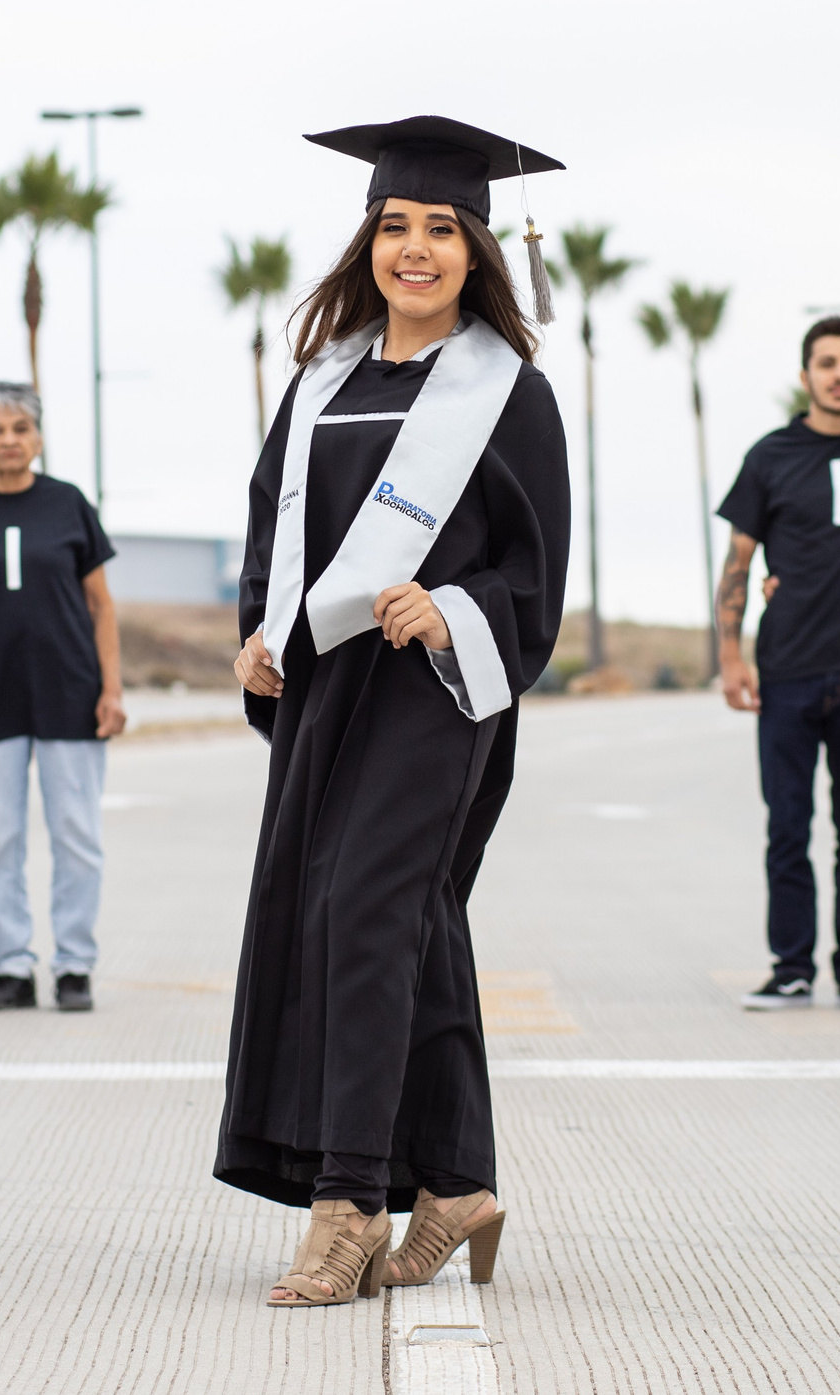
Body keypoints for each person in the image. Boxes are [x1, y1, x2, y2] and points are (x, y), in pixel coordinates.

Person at [220, 116, 570, 1309]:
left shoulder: (503, 393)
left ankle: (351, 1201)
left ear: (475, 248)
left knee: (363, 913)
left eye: (437, 229)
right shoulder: (324, 381)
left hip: (431, 690)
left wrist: (456, 606)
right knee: (400, 920)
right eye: (392, 227)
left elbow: (536, 570)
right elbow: (278, 522)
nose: (413, 249)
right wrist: (259, 633)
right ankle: (457, 1182)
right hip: (329, 683)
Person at [716, 317, 840, 1013]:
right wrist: (730, 656)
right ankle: (791, 967)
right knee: (789, 828)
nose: (839, 374)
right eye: (826, 363)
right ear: (806, 376)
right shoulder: (771, 455)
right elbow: (738, 563)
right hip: (788, 671)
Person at [0, 382, 125, 1015]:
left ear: (39, 437)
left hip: (70, 694)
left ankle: (74, 965)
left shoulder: (68, 504)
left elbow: (100, 605)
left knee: (76, 834)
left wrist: (112, 688)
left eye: (20, 427)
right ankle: (12, 966)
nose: (9, 440)